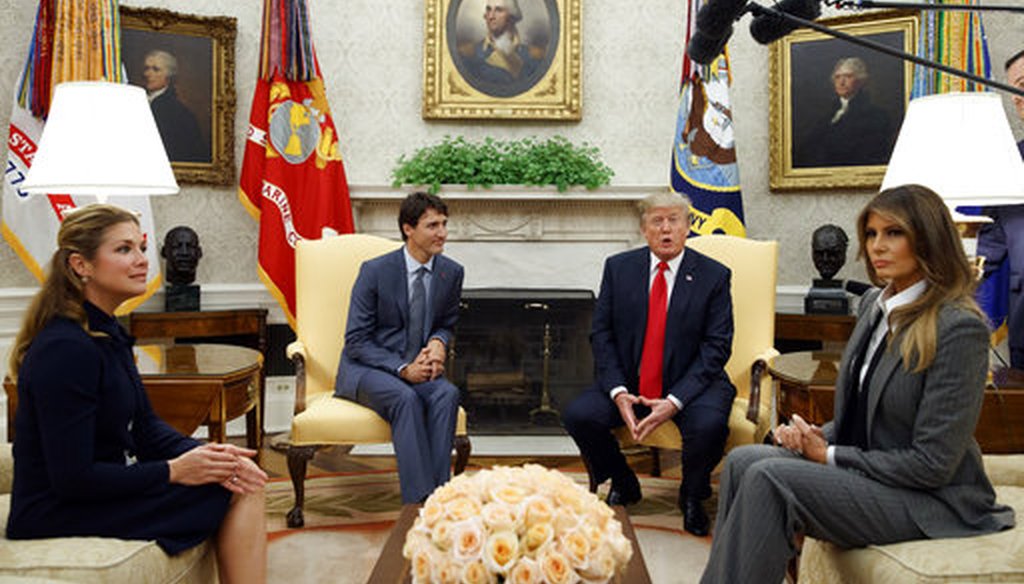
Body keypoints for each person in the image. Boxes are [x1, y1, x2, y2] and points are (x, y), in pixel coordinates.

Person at [701, 185, 1015, 583]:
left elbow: (932, 466)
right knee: (745, 461)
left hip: (930, 499)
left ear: (928, 237)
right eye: (870, 234)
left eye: (893, 233)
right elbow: (868, 415)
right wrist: (814, 437)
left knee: (771, 479)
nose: (876, 246)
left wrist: (828, 455)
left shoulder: (958, 328)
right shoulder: (873, 306)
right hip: (879, 474)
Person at [5, 204, 267, 583]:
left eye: (142, 248)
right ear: (81, 265)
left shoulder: (106, 333)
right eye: (124, 249)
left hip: (93, 493)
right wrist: (174, 472)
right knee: (235, 491)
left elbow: (145, 428)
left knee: (240, 478)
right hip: (56, 509)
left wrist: (205, 455)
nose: (143, 260)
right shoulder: (65, 348)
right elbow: (73, 479)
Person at [562, 190, 735, 537]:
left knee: (710, 426)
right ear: (644, 229)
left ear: (688, 228)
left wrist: (674, 402)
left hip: (693, 382)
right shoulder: (618, 268)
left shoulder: (714, 276)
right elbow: (602, 334)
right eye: (657, 221)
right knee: (579, 414)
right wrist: (618, 391)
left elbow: (717, 347)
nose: (666, 228)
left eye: (674, 220)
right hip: (631, 379)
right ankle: (624, 479)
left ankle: (692, 493)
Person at [334, 192, 464, 504]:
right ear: (409, 229)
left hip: (418, 368)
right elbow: (356, 340)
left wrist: (438, 343)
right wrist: (403, 369)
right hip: (367, 369)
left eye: (444, 224)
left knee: (447, 393)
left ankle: (438, 500)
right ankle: (417, 504)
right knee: (404, 397)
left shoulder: (451, 272)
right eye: (432, 225)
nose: (442, 233)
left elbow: (446, 323)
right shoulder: (375, 271)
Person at [976, 49, 1024, 369]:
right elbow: (985, 249)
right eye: (1015, 90)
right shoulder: (1010, 163)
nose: (1018, 99)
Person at [796, 57, 893, 168]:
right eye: (837, 77)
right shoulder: (825, 116)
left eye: (848, 76)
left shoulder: (877, 116)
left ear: (861, 81)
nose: (841, 82)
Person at [460, 0, 545, 92]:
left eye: (498, 10)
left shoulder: (534, 56)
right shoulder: (469, 54)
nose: (491, 16)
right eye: (488, 10)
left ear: (511, 17)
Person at [142, 49, 209, 163]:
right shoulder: (138, 100)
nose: (148, 74)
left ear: (169, 76)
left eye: (155, 69)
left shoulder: (178, 112)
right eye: (147, 68)